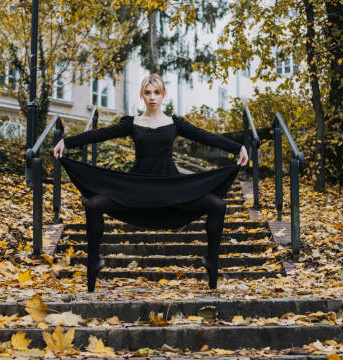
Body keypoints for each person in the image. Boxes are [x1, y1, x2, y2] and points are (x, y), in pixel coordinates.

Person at [53, 74, 249, 292]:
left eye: (156, 92)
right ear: (142, 95)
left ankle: (212, 261)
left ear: (163, 94)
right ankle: (94, 262)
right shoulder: (133, 123)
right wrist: (65, 142)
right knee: (93, 205)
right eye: (147, 92)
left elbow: (205, 136)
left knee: (218, 205)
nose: (152, 97)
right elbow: (100, 134)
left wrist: (236, 148)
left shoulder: (175, 124)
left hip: (171, 189)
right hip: (137, 190)